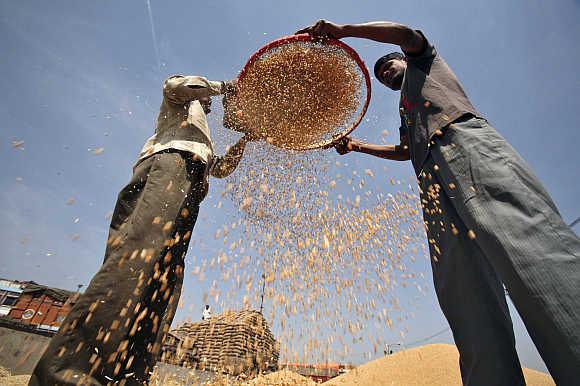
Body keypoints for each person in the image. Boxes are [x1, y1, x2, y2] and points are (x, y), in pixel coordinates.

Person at [297, 20, 580, 386]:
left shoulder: (425, 62)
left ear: (404, 59)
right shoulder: (405, 109)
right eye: (381, 75)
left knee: (527, 246)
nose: (385, 74)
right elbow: (403, 151)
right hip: (429, 181)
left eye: (388, 66)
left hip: (464, 145)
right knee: (463, 291)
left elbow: (403, 32)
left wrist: (344, 31)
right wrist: (357, 147)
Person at [30, 75, 257, 385]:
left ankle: (128, 376)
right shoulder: (178, 108)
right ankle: (69, 374)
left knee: (165, 276)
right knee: (138, 258)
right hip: (169, 167)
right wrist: (226, 88)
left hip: (193, 184)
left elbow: (220, 169)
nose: (209, 105)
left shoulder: (203, 141)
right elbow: (175, 85)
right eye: (206, 100)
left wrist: (245, 139)